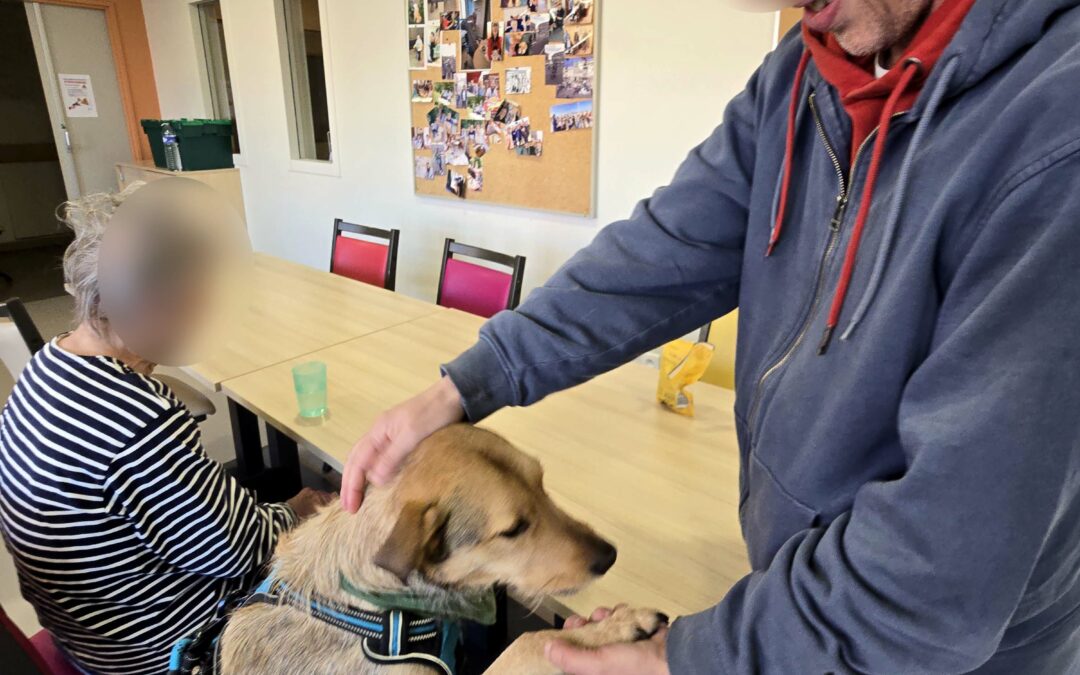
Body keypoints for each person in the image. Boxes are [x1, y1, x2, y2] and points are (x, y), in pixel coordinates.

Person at [348, 0, 1080, 672]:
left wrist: (696, 654)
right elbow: (657, 255)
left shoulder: (1054, 128)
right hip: (797, 597)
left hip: (944, 650)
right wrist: (468, 380)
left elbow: (943, 571)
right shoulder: (803, 73)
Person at [0, 185, 335, 674]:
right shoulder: (136, 417)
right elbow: (237, 550)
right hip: (166, 653)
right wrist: (297, 511)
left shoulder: (45, 366)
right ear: (153, 298)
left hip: (89, 633)